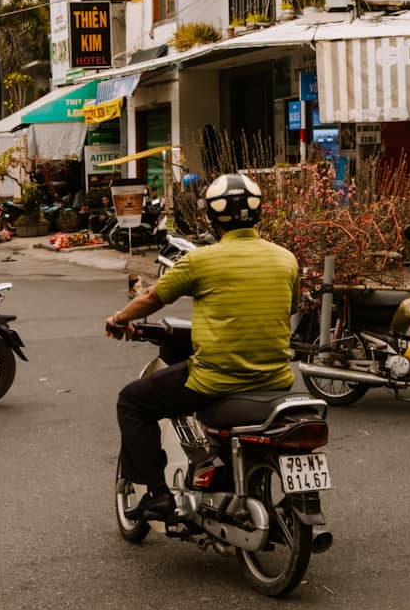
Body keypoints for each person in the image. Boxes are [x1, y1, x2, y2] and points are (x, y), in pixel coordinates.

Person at [107, 172, 300, 521]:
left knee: (132, 400)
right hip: (276, 379)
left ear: (212, 218)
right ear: (259, 213)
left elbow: (152, 298)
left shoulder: (202, 260)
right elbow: (291, 309)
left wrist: (119, 320)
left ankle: (157, 494)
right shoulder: (286, 259)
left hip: (218, 380)